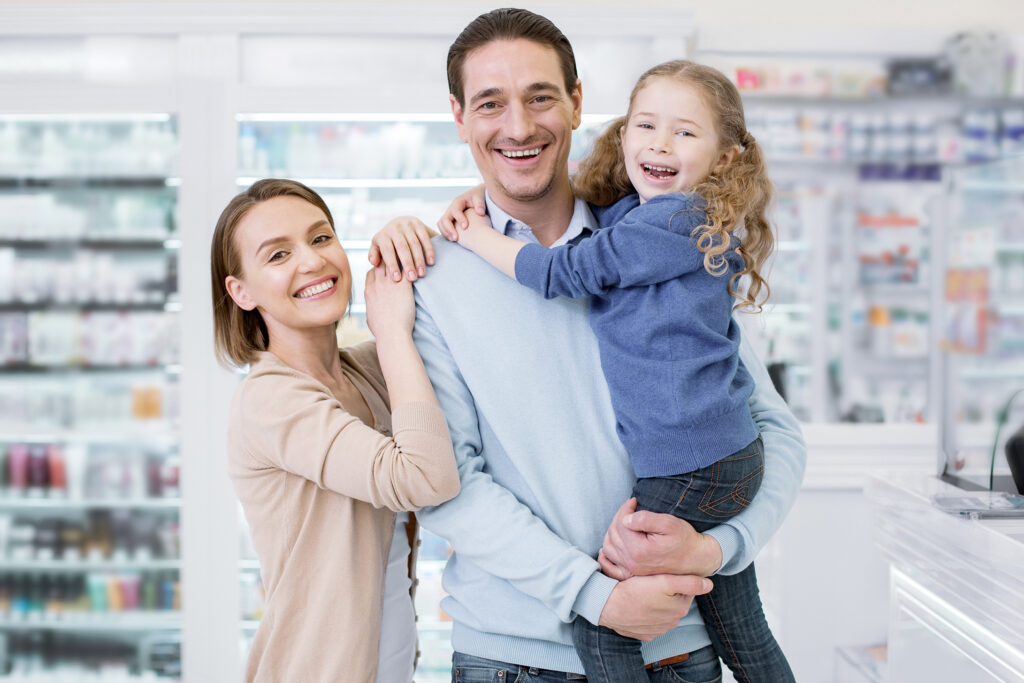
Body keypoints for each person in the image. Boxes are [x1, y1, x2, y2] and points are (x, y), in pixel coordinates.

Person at [370, 8, 806, 682]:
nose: (518, 126)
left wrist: (717, 549)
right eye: (490, 103)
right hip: (511, 658)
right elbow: (446, 485)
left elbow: (770, 429)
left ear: (577, 103)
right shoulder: (429, 277)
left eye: (540, 97)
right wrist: (595, 596)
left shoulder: (654, 242)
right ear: (459, 117)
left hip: (678, 650)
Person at [211, 178, 459, 682]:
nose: (311, 261)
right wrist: (390, 330)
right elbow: (425, 479)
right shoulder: (270, 398)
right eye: (278, 255)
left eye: (321, 238)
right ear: (241, 291)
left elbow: (457, 323)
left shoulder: (364, 370)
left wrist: (410, 238)